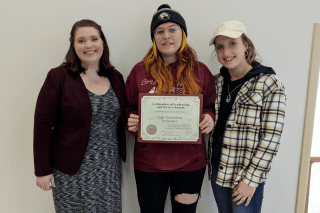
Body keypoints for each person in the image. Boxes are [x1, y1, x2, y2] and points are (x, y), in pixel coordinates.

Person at [125, 4, 216, 213]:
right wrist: (131, 120)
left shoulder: (200, 71)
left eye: (173, 29)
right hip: (148, 163)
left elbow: (210, 106)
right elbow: (129, 107)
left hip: (190, 163)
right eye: (160, 31)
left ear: (183, 33)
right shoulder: (139, 71)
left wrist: (209, 118)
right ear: (154, 37)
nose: (167, 36)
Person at [33, 19, 126, 213]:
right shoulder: (59, 77)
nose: (89, 45)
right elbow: (42, 124)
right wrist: (43, 170)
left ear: (103, 42)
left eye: (94, 39)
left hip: (108, 169)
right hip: (71, 169)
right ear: (73, 45)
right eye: (81, 41)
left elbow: (122, 117)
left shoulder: (115, 77)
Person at [207, 20, 286, 213]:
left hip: (246, 169)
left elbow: (271, 138)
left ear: (246, 45)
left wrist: (251, 181)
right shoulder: (216, 83)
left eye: (232, 43)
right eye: (220, 47)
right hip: (218, 163)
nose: (226, 53)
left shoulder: (268, 83)